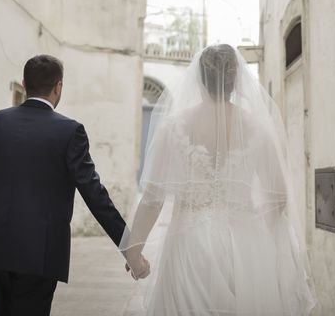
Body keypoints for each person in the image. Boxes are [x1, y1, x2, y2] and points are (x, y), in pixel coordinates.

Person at [121, 44, 316, 315]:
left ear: (199, 80)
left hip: (189, 246)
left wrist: (134, 251)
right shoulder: (258, 129)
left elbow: (153, 199)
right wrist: (262, 236)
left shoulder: (174, 127)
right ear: (236, 81)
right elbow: (279, 197)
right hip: (245, 248)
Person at [0, 54, 149, 316]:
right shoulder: (69, 131)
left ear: (24, 83)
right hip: (41, 253)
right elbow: (95, 195)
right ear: (58, 86)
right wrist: (129, 248)